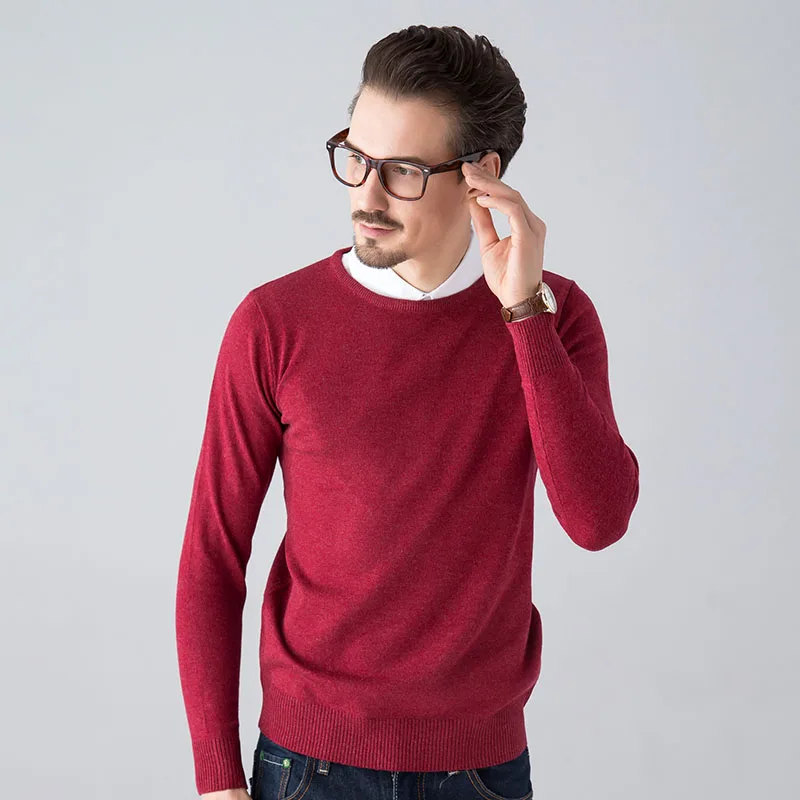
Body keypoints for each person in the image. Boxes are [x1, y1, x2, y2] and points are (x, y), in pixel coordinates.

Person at [175, 24, 640, 800]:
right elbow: (211, 556)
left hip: (481, 772)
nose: (366, 194)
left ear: (482, 176)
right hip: (306, 769)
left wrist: (523, 313)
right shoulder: (273, 324)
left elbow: (598, 521)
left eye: (402, 171)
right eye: (355, 157)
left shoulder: (555, 317)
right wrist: (217, 776)